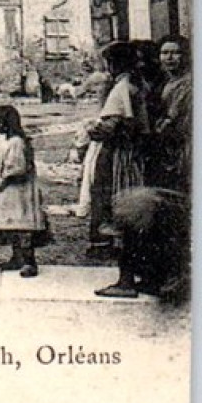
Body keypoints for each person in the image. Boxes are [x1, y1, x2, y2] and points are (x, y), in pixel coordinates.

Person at [98, 36, 192, 301]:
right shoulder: (158, 83)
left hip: (171, 158)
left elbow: (167, 125)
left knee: (137, 214)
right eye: (165, 53)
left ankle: (136, 279)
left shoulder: (183, 86)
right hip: (157, 156)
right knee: (151, 218)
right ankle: (153, 276)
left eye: (175, 53)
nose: (169, 58)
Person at [83, 41, 150, 252]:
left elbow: (112, 126)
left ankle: (116, 243)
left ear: (114, 64)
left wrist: (92, 131)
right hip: (132, 151)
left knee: (112, 193)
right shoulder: (136, 85)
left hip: (118, 151)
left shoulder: (121, 88)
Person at [0, 104, 51, 277]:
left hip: (18, 192)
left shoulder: (17, 143)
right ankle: (16, 257)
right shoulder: (8, 141)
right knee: (13, 226)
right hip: (9, 193)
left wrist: (2, 180)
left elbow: (18, 168)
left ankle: (29, 262)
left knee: (22, 226)